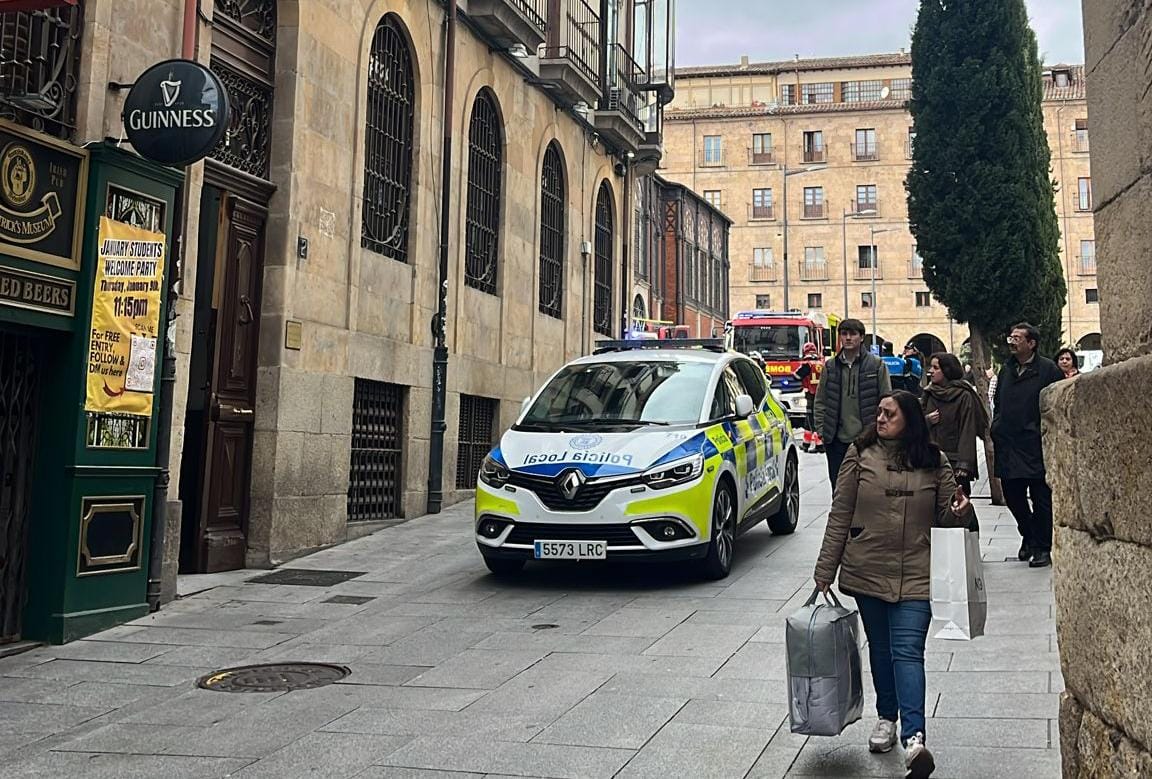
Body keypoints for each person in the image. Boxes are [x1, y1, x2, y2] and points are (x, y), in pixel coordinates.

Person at [814, 391, 974, 779]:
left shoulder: (934, 461)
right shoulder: (860, 453)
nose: (881, 419)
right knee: (882, 650)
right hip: (868, 566)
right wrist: (825, 569)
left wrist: (960, 511)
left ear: (911, 420)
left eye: (890, 414)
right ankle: (887, 716)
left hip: (917, 571)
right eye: (880, 413)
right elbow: (840, 512)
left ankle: (914, 737)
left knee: (907, 651)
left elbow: (947, 521)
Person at [991, 322, 1064, 568]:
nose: (1012, 341)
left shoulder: (1048, 370)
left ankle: (1042, 546)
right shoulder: (1007, 370)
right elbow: (998, 402)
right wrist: (997, 426)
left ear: (1031, 343)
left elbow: (1056, 406)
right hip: (1009, 443)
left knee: (1042, 499)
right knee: (1013, 496)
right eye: (1011, 337)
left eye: (1018, 338)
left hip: (1035, 444)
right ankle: (1029, 535)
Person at [814, 319, 892, 486]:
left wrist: (881, 432)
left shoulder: (876, 365)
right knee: (838, 486)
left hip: (868, 439)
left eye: (853, 334)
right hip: (836, 440)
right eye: (844, 334)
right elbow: (821, 401)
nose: (848, 338)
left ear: (862, 337)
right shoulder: (830, 366)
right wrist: (822, 431)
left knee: (868, 486)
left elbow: (886, 400)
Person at [923, 353, 989, 533]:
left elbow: (968, 430)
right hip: (930, 458)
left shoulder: (963, 395)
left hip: (955, 460)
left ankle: (970, 538)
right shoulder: (929, 393)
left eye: (935, 368)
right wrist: (927, 420)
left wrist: (964, 464)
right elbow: (916, 423)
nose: (931, 371)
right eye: (931, 367)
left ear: (946, 370)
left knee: (959, 504)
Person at [793, 342, 824, 452]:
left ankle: (820, 445)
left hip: (811, 394)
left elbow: (797, 376)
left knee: (812, 419)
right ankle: (805, 444)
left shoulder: (807, 364)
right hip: (821, 394)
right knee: (808, 420)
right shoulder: (821, 363)